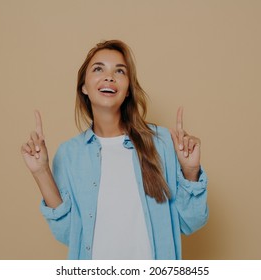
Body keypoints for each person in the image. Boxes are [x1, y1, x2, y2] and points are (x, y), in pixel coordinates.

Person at [21, 40, 208, 260]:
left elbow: (190, 222)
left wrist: (190, 171)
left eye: (119, 71)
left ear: (128, 89)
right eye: (98, 69)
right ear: (83, 86)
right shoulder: (69, 155)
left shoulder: (162, 142)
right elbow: (68, 234)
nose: (109, 76)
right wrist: (41, 172)